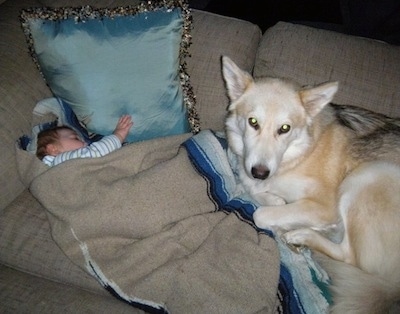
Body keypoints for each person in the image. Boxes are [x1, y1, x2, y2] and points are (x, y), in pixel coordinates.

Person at [36, 115, 133, 167]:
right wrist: (118, 135)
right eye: (75, 138)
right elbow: (95, 152)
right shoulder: (58, 161)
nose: (86, 143)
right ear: (53, 149)